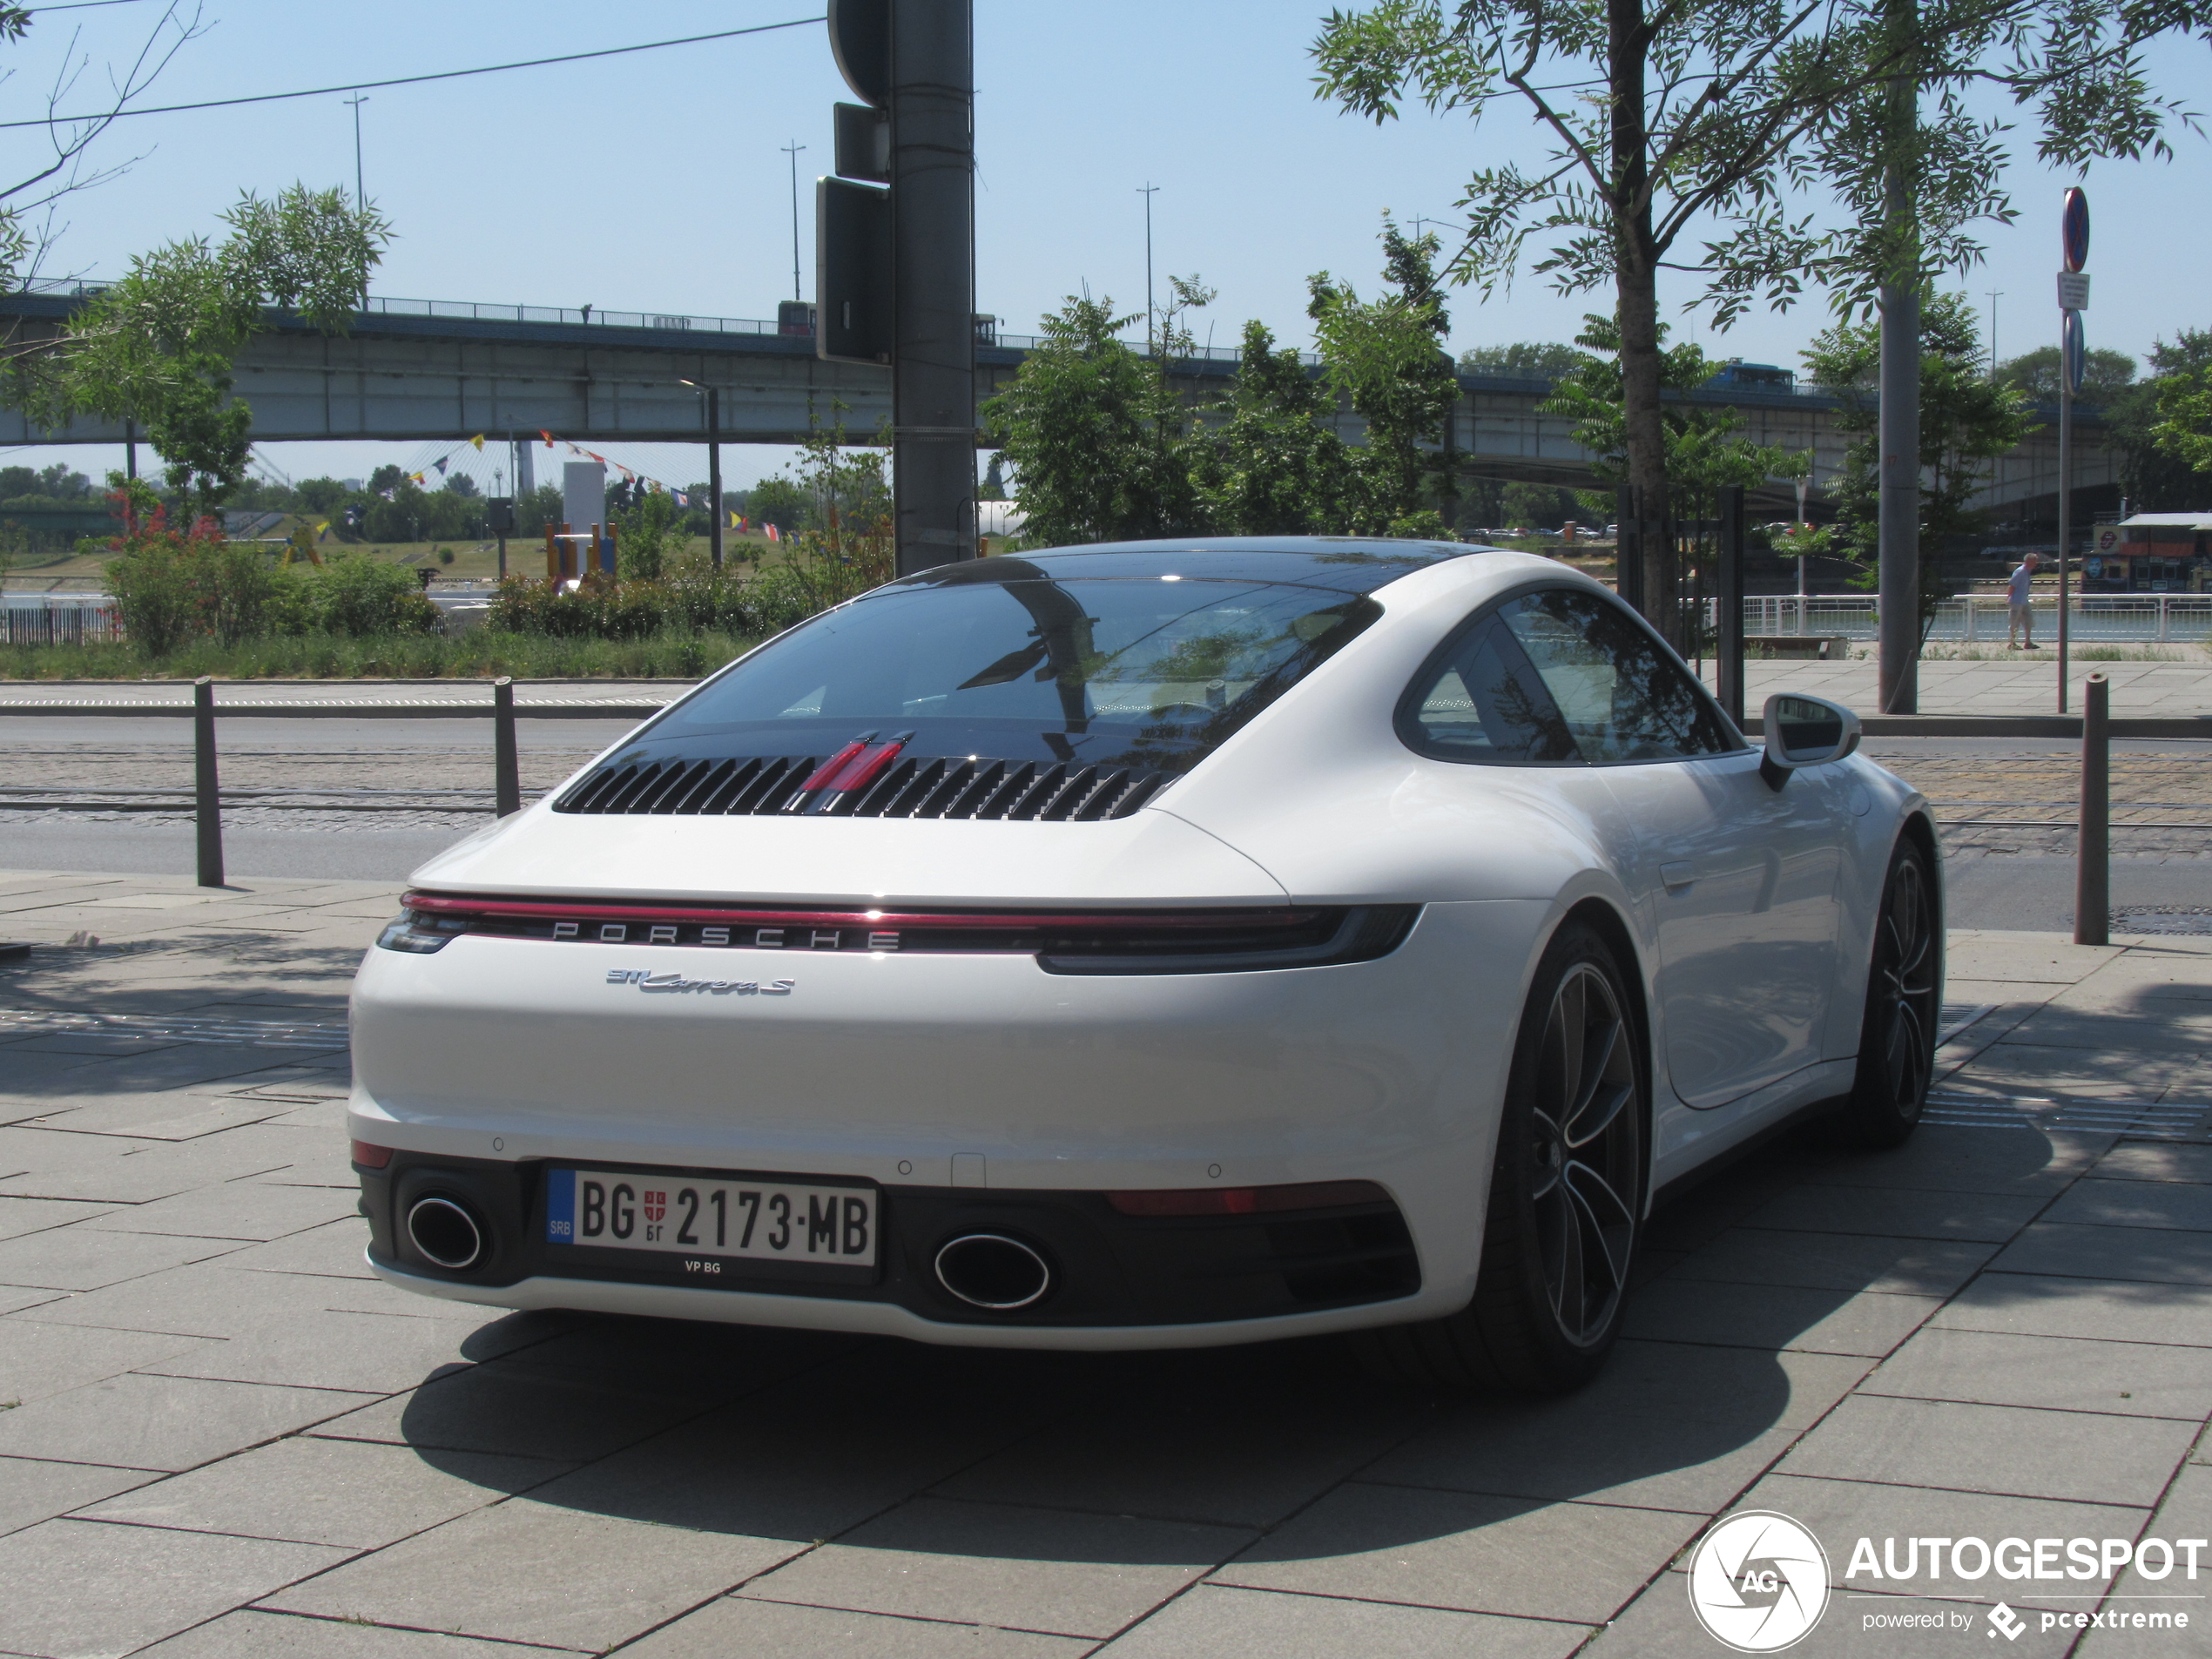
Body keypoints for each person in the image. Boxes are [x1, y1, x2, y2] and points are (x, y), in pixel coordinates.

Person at [2007, 552, 2040, 650]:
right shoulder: (2020, 571)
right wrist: (2009, 597)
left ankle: (2028, 642)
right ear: (2028, 561)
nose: (2036, 563)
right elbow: (2012, 585)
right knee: (2014, 622)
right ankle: (2012, 643)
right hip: (2016, 601)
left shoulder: (2027, 572)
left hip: (2024, 600)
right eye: (2034, 561)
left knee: (2028, 621)